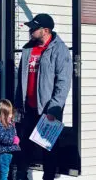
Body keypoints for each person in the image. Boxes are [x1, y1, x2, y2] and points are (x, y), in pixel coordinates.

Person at [14, 13, 72, 180]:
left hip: (48, 110)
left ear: (45, 30)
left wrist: (54, 108)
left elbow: (63, 83)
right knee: (24, 146)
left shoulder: (60, 50)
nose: (30, 30)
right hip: (28, 108)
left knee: (48, 149)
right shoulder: (28, 49)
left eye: (34, 28)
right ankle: (21, 177)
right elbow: (22, 79)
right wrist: (18, 104)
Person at [0, 99, 21, 180]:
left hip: (10, 152)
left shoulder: (9, 123)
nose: (11, 115)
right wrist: (13, 140)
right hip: (3, 153)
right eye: (9, 114)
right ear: (3, 115)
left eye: (11, 113)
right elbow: (2, 138)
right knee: (4, 173)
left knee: (8, 172)